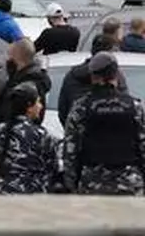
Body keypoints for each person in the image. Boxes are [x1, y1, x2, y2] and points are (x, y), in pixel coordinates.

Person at [62, 52, 145, 195]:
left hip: (92, 183)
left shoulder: (81, 107)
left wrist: (72, 183)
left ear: (93, 76)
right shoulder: (134, 106)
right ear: (116, 74)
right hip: (129, 183)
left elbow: (70, 150)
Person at [0, 82, 60, 194]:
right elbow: (53, 167)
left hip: (4, 192)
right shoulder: (40, 134)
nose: (40, 106)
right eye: (38, 102)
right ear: (29, 107)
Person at [58, 34, 129, 126]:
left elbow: (63, 110)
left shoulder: (72, 76)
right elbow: (126, 103)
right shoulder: (117, 75)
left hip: (83, 134)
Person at [0, 39, 51, 129]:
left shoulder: (28, 86)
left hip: (14, 138)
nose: (7, 59)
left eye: (9, 56)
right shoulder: (17, 80)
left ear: (17, 58)